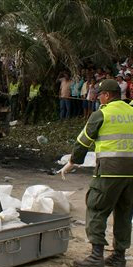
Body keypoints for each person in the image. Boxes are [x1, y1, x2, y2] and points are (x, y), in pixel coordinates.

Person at [60, 79, 133, 267]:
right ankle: (119, 257)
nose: (98, 98)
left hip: (109, 172)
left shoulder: (101, 114)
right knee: (124, 213)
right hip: (131, 174)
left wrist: (73, 162)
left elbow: (83, 142)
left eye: (100, 95)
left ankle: (96, 256)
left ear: (107, 95)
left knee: (96, 209)